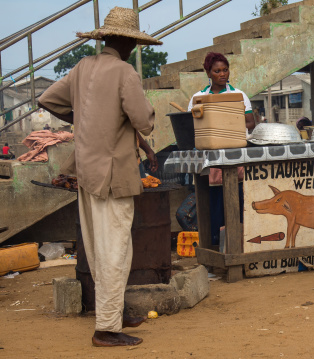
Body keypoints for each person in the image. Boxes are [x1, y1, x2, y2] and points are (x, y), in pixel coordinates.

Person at [37, 7, 162, 347]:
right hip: (112, 176)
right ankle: (106, 328)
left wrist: (84, 115)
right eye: (134, 44)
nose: (135, 49)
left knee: (96, 248)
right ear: (126, 42)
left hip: (85, 171)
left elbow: (48, 98)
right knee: (115, 250)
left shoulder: (82, 67)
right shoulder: (124, 72)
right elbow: (144, 120)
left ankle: (113, 313)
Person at [187, 52, 252, 246]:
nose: (222, 74)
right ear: (208, 73)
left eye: (225, 70)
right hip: (210, 161)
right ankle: (216, 246)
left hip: (235, 157)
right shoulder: (199, 98)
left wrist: (226, 126)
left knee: (237, 203)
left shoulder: (238, 95)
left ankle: (237, 246)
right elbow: (193, 127)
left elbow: (250, 122)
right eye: (217, 71)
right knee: (214, 206)